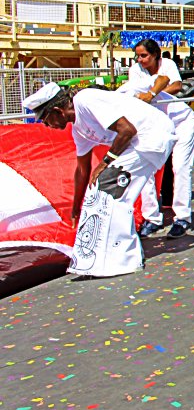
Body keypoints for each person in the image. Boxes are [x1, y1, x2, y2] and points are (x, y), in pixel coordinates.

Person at [25, 83, 174, 277]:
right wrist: (76, 207)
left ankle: (126, 259)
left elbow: (127, 130)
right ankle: (105, 257)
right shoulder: (78, 130)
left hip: (151, 136)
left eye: (45, 119)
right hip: (138, 142)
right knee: (98, 192)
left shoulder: (85, 100)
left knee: (111, 191)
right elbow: (82, 170)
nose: (46, 125)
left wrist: (104, 163)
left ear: (57, 111)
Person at [118, 38, 194, 238]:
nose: (140, 59)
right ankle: (152, 218)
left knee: (180, 168)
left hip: (181, 123)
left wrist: (153, 94)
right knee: (146, 169)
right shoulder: (136, 71)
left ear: (155, 55)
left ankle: (182, 217)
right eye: (137, 55)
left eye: (144, 55)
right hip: (157, 127)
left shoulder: (167, 65)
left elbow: (175, 85)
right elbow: (140, 91)